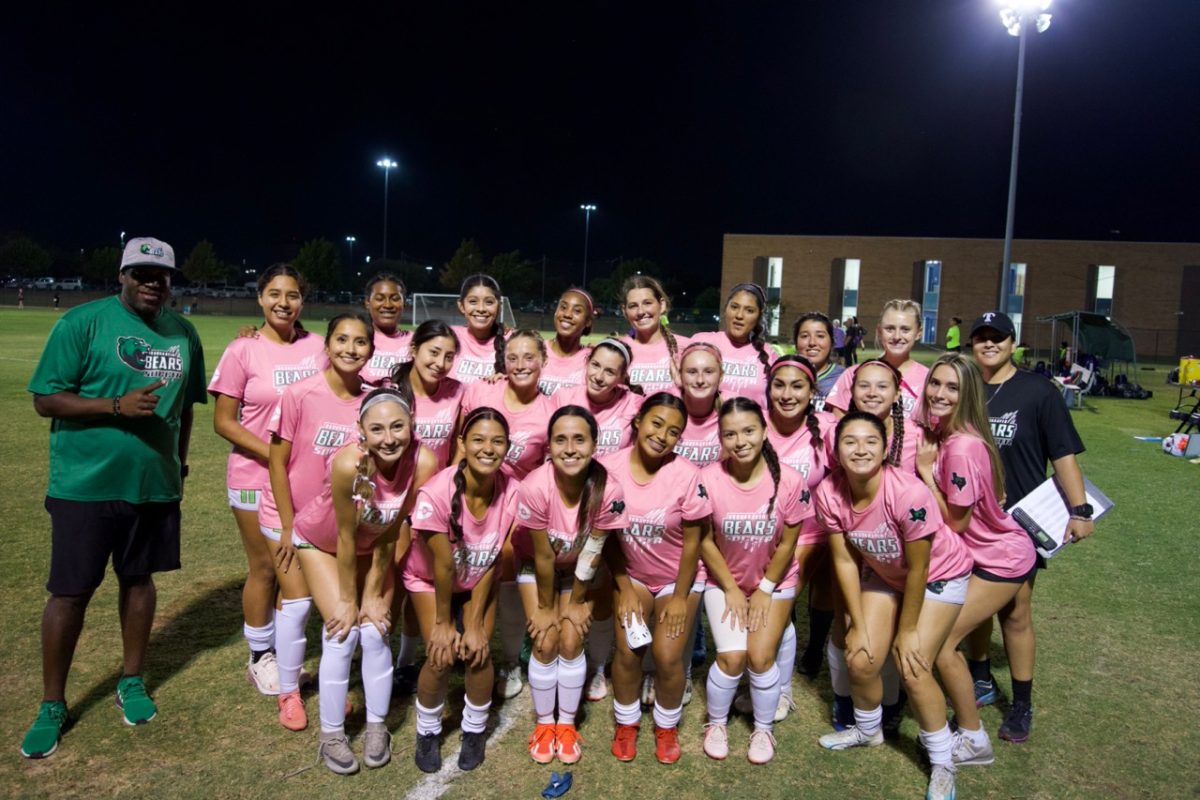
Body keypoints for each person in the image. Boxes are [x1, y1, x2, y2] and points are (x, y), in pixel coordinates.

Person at [21, 237, 206, 759]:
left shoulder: (183, 332)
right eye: (142, 274)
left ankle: (131, 679)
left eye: (162, 276)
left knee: (139, 579)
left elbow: (186, 408)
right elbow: (45, 399)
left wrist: (181, 463)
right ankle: (52, 702)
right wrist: (115, 406)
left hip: (153, 484)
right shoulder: (81, 324)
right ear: (122, 276)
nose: (153, 283)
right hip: (85, 484)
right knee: (70, 592)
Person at [814, 412, 974, 800]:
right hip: (885, 574)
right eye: (849, 441)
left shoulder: (909, 494)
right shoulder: (829, 492)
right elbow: (844, 561)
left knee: (913, 665)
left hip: (938, 575)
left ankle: (942, 764)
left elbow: (919, 567)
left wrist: (906, 630)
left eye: (870, 440)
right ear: (835, 450)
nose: (860, 449)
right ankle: (869, 731)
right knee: (860, 656)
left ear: (886, 449)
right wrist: (855, 621)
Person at [292, 386, 439, 773]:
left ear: (412, 425)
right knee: (341, 632)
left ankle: (377, 727)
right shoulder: (347, 464)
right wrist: (347, 599)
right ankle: (332, 735)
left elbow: (391, 529)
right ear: (361, 430)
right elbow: (343, 536)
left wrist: (373, 594)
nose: (388, 438)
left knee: (375, 630)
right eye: (377, 429)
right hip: (322, 544)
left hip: (371, 546)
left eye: (397, 427)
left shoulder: (424, 461)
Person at [966, 311, 1094, 744]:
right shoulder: (965, 387)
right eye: (981, 338)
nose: (989, 345)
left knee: (1016, 612)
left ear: (1012, 341)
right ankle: (980, 678)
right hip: (967, 519)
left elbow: (1063, 455)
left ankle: (1021, 704)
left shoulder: (1039, 391)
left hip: (1017, 527)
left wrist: (1080, 510)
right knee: (972, 604)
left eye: (997, 338)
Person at [915, 352, 1036, 768]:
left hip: (1000, 559)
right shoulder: (950, 434)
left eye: (952, 387)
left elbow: (956, 522)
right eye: (936, 383)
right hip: (982, 554)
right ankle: (968, 722)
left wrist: (926, 472)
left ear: (967, 394)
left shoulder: (962, 447)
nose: (940, 393)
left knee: (945, 643)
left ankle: (972, 740)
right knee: (949, 642)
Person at [209, 264, 324, 695]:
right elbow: (224, 421)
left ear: (302, 301)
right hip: (254, 474)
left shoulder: (317, 347)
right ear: (260, 297)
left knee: (295, 567)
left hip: (302, 479)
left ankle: (283, 652)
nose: (283, 302)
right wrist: (277, 454)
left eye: (292, 295)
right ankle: (259, 657)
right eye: (274, 293)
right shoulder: (243, 349)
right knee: (264, 568)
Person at [259, 311, 374, 732]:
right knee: (297, 602)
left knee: (340, 610)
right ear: (326, 345)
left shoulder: (373, 401)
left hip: (337, 523)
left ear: (371, 351)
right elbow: (277, 462)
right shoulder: (300, 394)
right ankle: (288, 691)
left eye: (360, 342)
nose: (350, 349)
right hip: (288, 516)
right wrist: (288, 527)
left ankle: (331, 683)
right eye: (341, 339)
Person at [402, 407, 522, 773]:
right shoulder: (436, 493)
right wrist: (443, 622)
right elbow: (443, 565)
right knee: (440, 655)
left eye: (497, 441)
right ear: (461, 445)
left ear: (507, 447)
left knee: (478, 651)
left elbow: (491, 558)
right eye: (479, 440)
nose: (488, 449)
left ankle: (474, 728)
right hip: (430, 579)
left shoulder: (512, 490)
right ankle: (428, 730)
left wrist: (473, 626)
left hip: (477, 574)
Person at [699, 397, 810, 765]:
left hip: (774, 583)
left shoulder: (790, 481)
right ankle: (716, 723)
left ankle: (763, 730)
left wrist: (764, 591)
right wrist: (731, 589)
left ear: (764, 432)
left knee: (760, 658)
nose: (740, 441)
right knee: (732, 658)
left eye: (748, 431)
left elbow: (789, 542)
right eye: (730, 434)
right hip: (723, 581)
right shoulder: (708, 479)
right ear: (720, 438)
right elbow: (703, 540)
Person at [603, 392, 708, 764]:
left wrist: (680, 597)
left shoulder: (686, 474)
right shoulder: (610, 468)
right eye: (657, 424)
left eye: (674, 432)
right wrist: (624, 587)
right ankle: (627, 722)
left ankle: (666, 726)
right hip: (631, 575)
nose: (663, 436)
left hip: (677, 578)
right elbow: (606, 536)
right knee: (629, 650)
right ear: (638, 422)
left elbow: (694, 542)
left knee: (666, 655)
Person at [519, 407, 628, 765]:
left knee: (570, 638)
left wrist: (578, 602)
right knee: (547, 637)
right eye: (560, 440)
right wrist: (548, 608)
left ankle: (566, 724)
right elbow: (542, 557)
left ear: (595, 444)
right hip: (537, 568)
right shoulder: (535, 485)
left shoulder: (608, 488)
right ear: (548, 446)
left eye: (579, 439)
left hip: (579, 572)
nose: (569, 448)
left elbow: (594, 550)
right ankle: (543, 723)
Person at [459, 329, 555, 700]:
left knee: (508, 580)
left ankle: (511, 660)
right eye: (512, 357)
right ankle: (464, 639)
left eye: (529, 357)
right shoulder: (483, 391)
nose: (520, 365)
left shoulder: (549, 409)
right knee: (466, 573)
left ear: (543, 362)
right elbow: (459, 442)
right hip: (473, 499)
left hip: (517, 508)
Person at [389, 319, 466, 691]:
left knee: (421, 582)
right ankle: (378, 661)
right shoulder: (392, 393)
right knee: (392, 586)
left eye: (449, 355)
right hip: (396, 505)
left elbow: (461, 444)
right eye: (433, 352)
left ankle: (404, 660)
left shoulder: (457, 392)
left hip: (435, 509)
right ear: (414, 350)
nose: (440, 362)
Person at [763, 355, 837, 696]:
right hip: (761, 533)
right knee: (766, 606)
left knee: (782, 600)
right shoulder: (756, 424)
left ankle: (781, 686)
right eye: (779, 385)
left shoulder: (827, 429)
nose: (787, 394)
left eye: (797, 386)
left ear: (812, 392)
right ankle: (763, 674)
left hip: (809, 532)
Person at [826, 300, 929, 420]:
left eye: (905, 330)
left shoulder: (930, 379)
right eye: (889, 329)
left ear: (918, 333)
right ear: (879, 331)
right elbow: (836, 426)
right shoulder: (854, 374)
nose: (896, 336)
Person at [554, 338, 644, 456]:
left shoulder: (634, 403)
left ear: (622, 377)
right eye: (595, 365)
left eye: (610, 372)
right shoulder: (564, 398)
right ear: (587, 363)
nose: (599, 377)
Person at [690, 282, 775, 404]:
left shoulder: (769, 354)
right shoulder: (701, 342)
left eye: (749, 310)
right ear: (725, 309)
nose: (739, 315)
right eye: (734, 307)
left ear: (758, 316)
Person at [621, 275, 690, 394]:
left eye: (647, 303)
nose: (641, 311)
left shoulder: (686, 347)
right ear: (624, 311)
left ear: (662, 305)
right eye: (633, 306)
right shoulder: (618, 350)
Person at [672, 342, 724, 467]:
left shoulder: (732, 411)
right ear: (680, 375)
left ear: (721, 376)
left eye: (709, 372)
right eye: (692, 372)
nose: (700, 380)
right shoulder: (664, 408)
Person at [540, 287, 596, 396]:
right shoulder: (537, 351)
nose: (567, 314)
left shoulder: (592, 359)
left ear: (588, 321)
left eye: (577, 311)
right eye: (563, 307)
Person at [451, 274, 507, 384]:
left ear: (499, 307)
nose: (481, 309)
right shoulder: (449, 336)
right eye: (473, 301)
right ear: (461, 306)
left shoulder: (512, 341)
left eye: (489, 302)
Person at [361, 273, 412, 385]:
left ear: (405, 303)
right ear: (367, 302)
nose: (388, 305)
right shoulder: (356, 339)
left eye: (395, 298)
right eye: (379, 298)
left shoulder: (416, 341)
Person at [792, 312, 845, 411]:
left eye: (820, 336)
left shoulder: (844, 378)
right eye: (804, 336)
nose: (812, 342)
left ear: (832, 342)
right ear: (796, 342)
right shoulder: (786, 375)